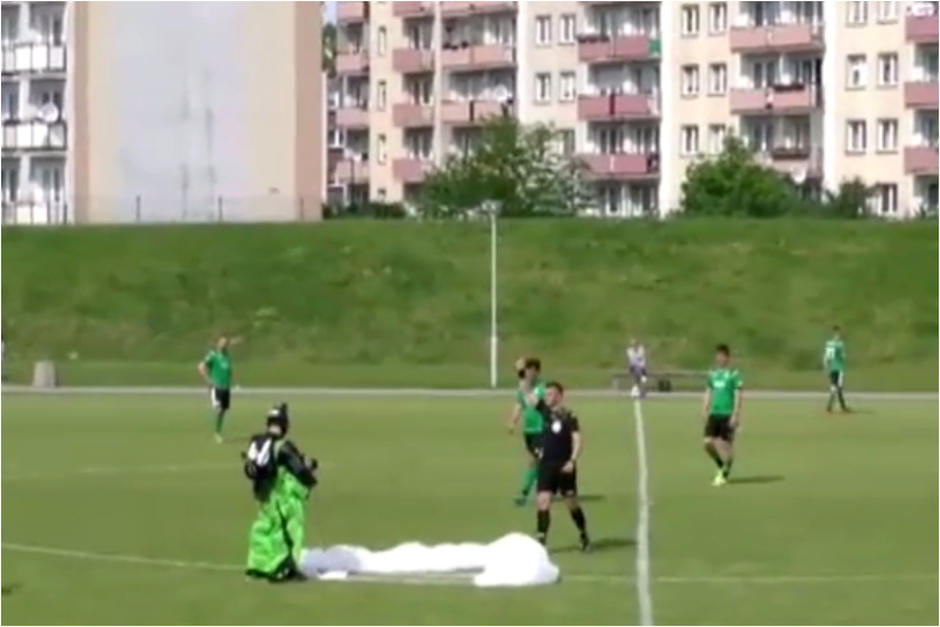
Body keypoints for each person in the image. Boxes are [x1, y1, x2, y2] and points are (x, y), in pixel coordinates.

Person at [244, 403, 318, 582]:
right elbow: (299, 470)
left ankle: (259, 566)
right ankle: (285, 569)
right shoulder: (283, 447)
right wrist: (311, 479)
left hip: (264, 498)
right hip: (282, 499)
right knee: (290, 533)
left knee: (264, 530)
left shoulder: (258, 443)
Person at [533, 381, 591, 551]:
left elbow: (577, 439)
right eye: (546, 394)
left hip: (564, 465)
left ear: (559, 396)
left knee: (571, 503)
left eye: (550, 394)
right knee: (543, 501)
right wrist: (528, 377)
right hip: (546, 465)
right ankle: (541, 540)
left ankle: (583, 533)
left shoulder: (569, 416)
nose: (547, 397)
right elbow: (530, 396)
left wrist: (572, 461)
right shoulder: (544, 412)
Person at [508, 357, 546, 506]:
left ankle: (524, 493)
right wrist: (513, 421)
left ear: (536, 371)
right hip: (528, 431)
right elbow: (520, 404)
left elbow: (533, 401)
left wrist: (521, 379)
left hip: (540, 430)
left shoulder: (542, 387)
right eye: (526, 370)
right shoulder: (523, 387)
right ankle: (548, 486)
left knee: (535, 462)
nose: (528, 373)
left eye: (530, 370)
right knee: (538, 462)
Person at [702, 344, 742, 487]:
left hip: (727, 414)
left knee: (725, 446)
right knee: (707, 443)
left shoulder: (734, 374)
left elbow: (738, 394)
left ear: (727, 357)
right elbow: (708, 391)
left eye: (722, 356)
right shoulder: (712, 373)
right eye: (717, 356)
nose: (719, 358)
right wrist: (705, 409)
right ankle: (720, 465)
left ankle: (725, 473)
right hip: (714, 413)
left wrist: (735, 414)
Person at [197, 336, 233, 442]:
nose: (223, 345)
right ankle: (217, 434)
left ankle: (217, 432)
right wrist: (208, 380)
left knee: (223, 410)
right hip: (216, 387)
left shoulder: (227, 356)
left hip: (226, 387)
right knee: (218, 409)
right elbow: (200, 366)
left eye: (225, 343)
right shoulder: (213, 355)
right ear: (217, 344)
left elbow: (228, 371)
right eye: (221, 342)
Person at [823, 326, 850, 413]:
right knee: (838, 387)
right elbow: (843, 356)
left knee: (835, 387)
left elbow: (826, 357)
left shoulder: (829, 343)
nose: (839, 335)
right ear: (837, 333)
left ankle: (834, 407)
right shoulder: (840, 344)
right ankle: (837, 407)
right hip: (838, 368)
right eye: (839, 333)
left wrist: (826, 366)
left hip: (832, 368)